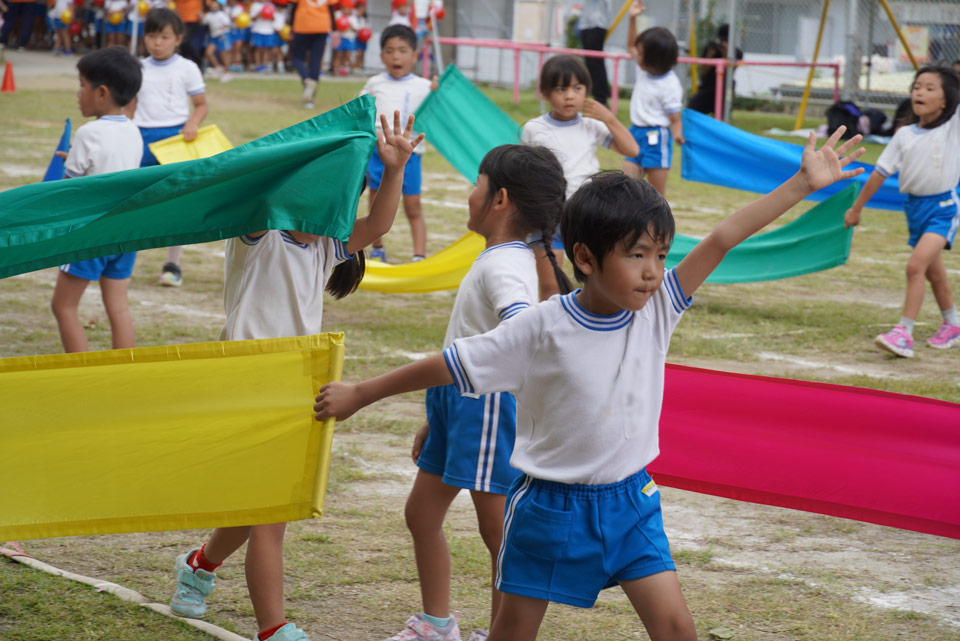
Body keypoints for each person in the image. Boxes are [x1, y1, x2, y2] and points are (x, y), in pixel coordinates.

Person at [315, 129, 865, 641]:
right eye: (636, 255)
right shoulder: (540, 326)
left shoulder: (657, 310)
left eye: (659, 255)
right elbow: (450, 365)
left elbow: (723, 238)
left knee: (677, 629)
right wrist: (362, 393)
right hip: (549, 512)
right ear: (584, 258)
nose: (653, 271)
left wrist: (801, 184)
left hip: (632, 504)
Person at [168, 112, 424, 641]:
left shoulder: (327, 247)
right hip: (243, 383)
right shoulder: (260, 231)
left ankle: (199, 565)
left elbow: (377, 226)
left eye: (347, 197)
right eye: (331, 192)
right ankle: (273, 627)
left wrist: (392, 168)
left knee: (262, 503)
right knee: (270, 512)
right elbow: (262, 180)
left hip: (296, 387)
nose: (338, 208)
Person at [381, 145, 568, 641]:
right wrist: (436, 414)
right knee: (421, 515)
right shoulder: (499, 256)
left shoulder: (506, 265)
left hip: (484, 407)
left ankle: (501, 633)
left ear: (499, 198)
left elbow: (520, 328)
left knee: (498, 533)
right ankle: (436, 624)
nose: (471, 194)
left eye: (477, 184)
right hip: (456, 403)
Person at [845, 66, 960, 357]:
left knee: (914, 267)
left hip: (943, 209)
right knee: (935, 274)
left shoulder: (952, 129)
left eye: (930, 88)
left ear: (947, 100)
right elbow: (879, 173)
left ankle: (903, 333)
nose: (920, 92)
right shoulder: (904, 135)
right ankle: (953, 323)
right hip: (915, 210)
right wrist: (856, 208)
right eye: (917, 86)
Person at [521, 54, 639, 300]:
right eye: (561, 89)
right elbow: (526, 173)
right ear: (544, 92)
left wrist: (608, 117)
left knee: (594, 278)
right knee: (551, 285)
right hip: (548, 212)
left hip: (586, 211)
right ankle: (544, 333)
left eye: (577, 88)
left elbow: (632, 150)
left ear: (587, 91)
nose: (569, 96)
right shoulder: (534, 128)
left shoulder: (591, 126)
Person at [51, 47, 144, 353]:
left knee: (63, 307)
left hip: (91, 232)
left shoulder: (89, 132)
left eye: (81, 84)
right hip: (125, 230)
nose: (78, 93)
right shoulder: (133, 131)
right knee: (118, 308)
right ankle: (124, 374)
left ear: (101, 92)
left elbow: (70, 188)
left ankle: (82, 375)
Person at [130, 7, 207, 287]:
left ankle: (172, 265)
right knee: (133, 201)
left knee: (177, 203)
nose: (157, 42)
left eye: (164, 36)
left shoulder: (187, 67)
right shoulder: (137, 67)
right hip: (140, 139)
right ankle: (121, 261)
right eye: (151, 36)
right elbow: (130, 106)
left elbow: (201, 104)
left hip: (176, 140)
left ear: (178, 38)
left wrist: (193, 123)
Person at [361, 24, 437, 263]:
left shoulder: (425, 86)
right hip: (378, 153)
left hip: (410, 155)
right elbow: (359, 111)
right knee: (375, 202)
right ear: (382, 55)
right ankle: (377, 248)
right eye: (390, 50)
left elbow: (438, 113)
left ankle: (419, 255)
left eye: (403, 50)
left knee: (413, 206)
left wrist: (437, 91)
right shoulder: (374, 83)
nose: (396, 56)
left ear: (415, 56)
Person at [624, 0, 683, 198]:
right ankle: (630, 227)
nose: (635, 54)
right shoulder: (644, 70)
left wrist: (677, 135)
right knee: (627, 189)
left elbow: (675, 118)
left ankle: (660, 228)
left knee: (657, 197)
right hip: (634, 134)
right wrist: (632, 19)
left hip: (657, 139)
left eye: (640, 53)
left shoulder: (670, 85)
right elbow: (632, 44)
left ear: (653, 59)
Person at [687, 23, 742, 116]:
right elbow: (703, 72)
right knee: (691, 109)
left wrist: (726, 54)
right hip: (708, 87)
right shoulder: (711, 48)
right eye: (722, 40)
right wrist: (710, 55)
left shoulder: (737, 52)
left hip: (725, 88)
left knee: (722, 116)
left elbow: (731, 71)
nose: (723, 42)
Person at [289, 0, 331, 108]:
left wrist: (290, 26)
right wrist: (335, 30)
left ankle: (306, 79)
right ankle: (310, 101)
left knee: (296, 58)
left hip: (302, 25)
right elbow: (331, 9)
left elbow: (293, 7)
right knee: (315, 61)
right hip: (322, 26)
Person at [576, 0, 611, 107]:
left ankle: (601, 97)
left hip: (596, 25)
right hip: (586, 25)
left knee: (596, 62)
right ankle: (595, 93)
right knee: (590, 63)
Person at [202, 0, 233, 79]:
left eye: (215, 4)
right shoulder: (209, 15)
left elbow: (227, 24)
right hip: (214, 36)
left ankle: (227, 73)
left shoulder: (222, 15)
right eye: (212, 4)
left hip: (222, 36)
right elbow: (203, 22)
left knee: (224, 54)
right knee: (209, 52)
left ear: (219, 5)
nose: (213, 5)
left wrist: (221, 28)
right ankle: (217, 68)